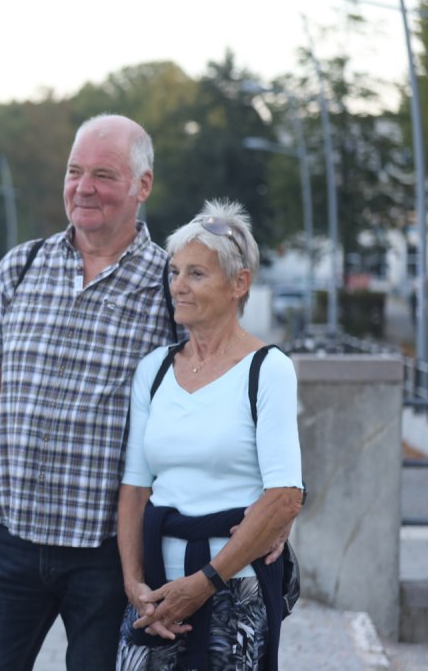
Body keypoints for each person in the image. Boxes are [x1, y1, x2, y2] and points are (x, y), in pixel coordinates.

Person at [0, 113, 179, 670]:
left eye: (104, 174)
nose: (84, 187)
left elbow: (204, 409)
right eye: (75, 172)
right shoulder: (20, 267)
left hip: (112, 557)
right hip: (12, 544)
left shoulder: (172, 286)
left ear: (142, 185)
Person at [116, 200, 303, 670]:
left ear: (240, 283)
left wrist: (203, 584)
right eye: (175, 271)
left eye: (196, 274)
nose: (178, 285)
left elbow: (285, 496)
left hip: (234, 589)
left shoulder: (268, 369)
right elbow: (135, 489)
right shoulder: (154, 370)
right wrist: (134, 584)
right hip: (156, 590)